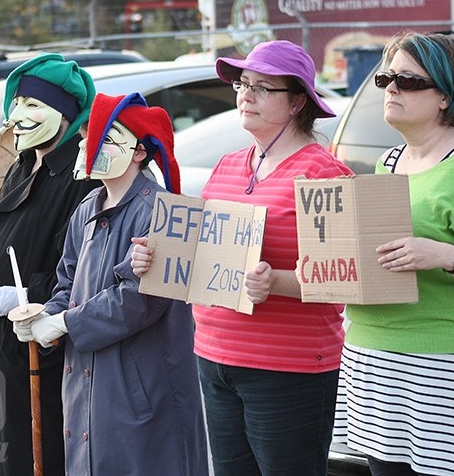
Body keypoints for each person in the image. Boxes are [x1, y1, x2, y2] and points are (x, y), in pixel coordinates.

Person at [132, 40, 353, 475]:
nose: (245, 95)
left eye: (263, 87)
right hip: (214, 357)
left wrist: (278, 283)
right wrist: (157, 256)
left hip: (288, 367)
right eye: (242, 83)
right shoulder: (229, 164)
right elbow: (206, 253)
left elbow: (343, 278)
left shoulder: (323, 172)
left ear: (296, 103)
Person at [332, 32, 454, 476]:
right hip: (374, 362)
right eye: (387, 77)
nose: (390, 87)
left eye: (407, 81)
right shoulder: (389, 161)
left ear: (445, 96)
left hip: (448, 369)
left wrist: (446, 255)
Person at [12, 92, 208, 475]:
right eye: (88, 135)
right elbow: (66, 282)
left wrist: (66, 323)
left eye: (105, 135)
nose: (89, 144)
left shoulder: (164, 211)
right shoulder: (86, 208)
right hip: (86, 383)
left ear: (137, 152)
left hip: (142, 387)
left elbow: (143, 299)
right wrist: (44, 317)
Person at [0, 53, 101, 475]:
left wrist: (24, 297)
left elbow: (83, 267)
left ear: (67, 115)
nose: (18, 115)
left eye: (34, 105)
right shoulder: (21, 165)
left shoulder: (84, 175)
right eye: (17, 102)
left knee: (33, 455)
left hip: (44, 344)